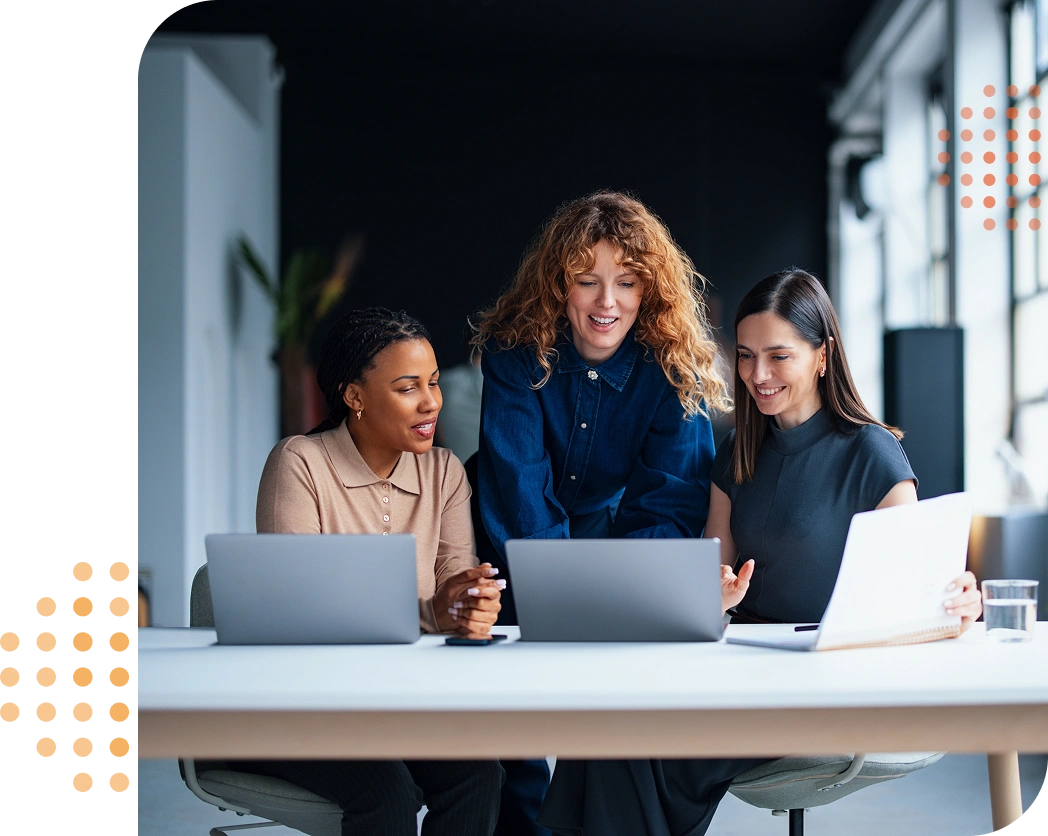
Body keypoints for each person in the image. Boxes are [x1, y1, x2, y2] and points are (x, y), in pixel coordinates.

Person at [534, 268, 984, 836]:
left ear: (822, 355)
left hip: (822, 682)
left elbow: (910, 600)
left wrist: (955, 605)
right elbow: (710, 589)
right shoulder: (738, 452)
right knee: (610, 718)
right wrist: (715, 598)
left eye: (779, 356)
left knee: (646, 744)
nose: (757, 375)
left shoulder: (872, 455)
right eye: (746, 356)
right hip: (739, 668)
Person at [469, 189, 733, 836]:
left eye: (625, 282)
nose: (605, 302)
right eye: (586, 281)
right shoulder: (515, 352)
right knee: (515, 728)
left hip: (616, 534)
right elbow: (519, 489)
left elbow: (669, 501)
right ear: (558, 285)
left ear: (650, 290)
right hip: (506, 531)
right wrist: (559, 597)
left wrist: (621, 598)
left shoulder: (674, 367)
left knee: (615, 698)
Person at [234, 307, 506, 836]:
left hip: (397, 705)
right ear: (354, 396)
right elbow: (296, 610)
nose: (431, 402)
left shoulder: (444, 472)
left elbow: (458, 584)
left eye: (432, 382)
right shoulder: (300, 462)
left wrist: (473, 606)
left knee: (481, 775)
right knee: (389, 798)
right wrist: (433, 612)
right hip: (297, 707)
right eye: (408, 388)